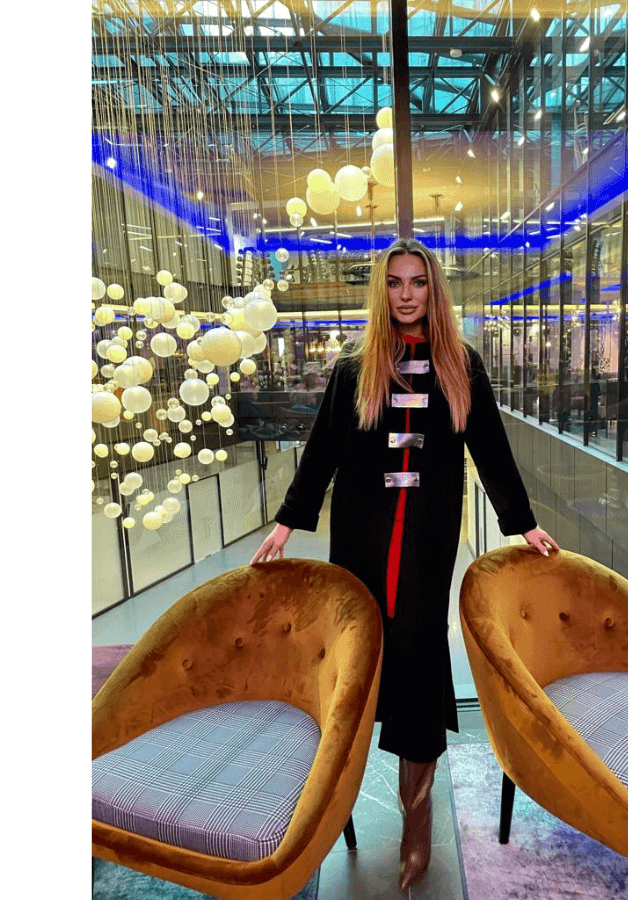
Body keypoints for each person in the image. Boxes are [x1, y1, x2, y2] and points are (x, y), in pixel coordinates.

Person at [251, 238, 558, 890]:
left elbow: (492, 449)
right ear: (382, 291)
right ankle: (328, 801)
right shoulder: (354, 367)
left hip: (426, 537)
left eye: (418, 282)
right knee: (358, 663)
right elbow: (322, 451)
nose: (407, 294)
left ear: (433, 290)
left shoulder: (461, 365)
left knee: (417, 660)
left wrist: (522, 522)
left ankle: (416, 815)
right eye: (396, 282)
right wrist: (286, 522)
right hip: (362, 534)